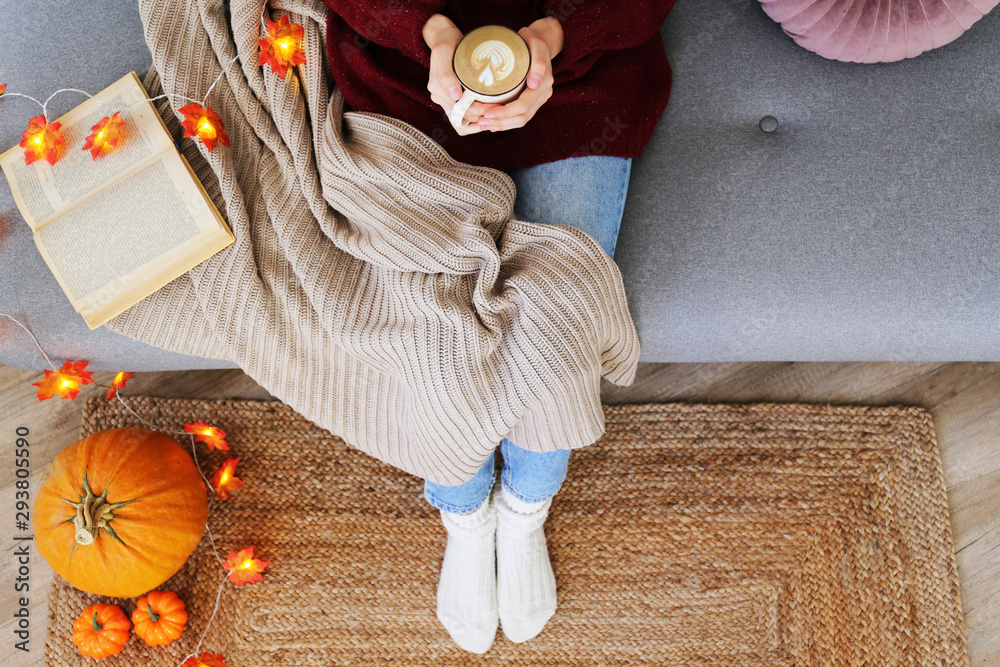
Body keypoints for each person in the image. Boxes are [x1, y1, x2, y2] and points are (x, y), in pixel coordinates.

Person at [321, 0, 678, 653]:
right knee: (434, 329)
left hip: (579, 92)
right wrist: (426, 32)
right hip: (406, 92)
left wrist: (558, 35)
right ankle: (464, 515)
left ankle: (523, 512)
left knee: (555, 319)